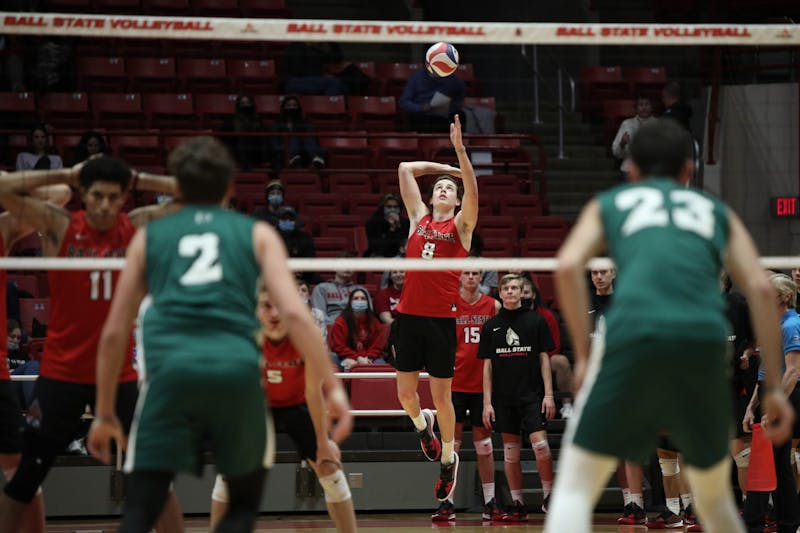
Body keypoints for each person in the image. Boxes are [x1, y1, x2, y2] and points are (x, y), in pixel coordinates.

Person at [85, 136, 351, 533]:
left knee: (142, 506)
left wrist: (104, 412)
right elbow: (297, 314)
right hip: (236, 374)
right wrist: (334, 389)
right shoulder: (257, 234)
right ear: (230, 187)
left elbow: (113, 334)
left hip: (170, 374)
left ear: (177, 188)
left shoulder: (148, 237)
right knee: (242, 507)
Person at [544, 119, 793, 533]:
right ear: (688, 172)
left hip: (634, 338)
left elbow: (569, 265)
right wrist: (772, 389)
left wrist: (585, 358)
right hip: (703, 347)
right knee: (713, 498)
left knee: (574, 490)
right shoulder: (714, 211)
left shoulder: (613, 203)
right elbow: (765, 294)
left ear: (633, 170)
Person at [0, 157, 184, 533]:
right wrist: (66, 175)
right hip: (61, 374)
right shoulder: (59, 224)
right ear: (83, 195)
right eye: (96, 195)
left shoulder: (136, 225)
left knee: (155, 480)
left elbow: (200, 194)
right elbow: (4, 188)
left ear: (123, 198)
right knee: (24, 480)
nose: (103, 205)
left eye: (113, 197)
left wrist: (138, 176)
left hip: (119, 373)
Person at [209, 286, 356, 532]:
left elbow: (313, 392)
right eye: (267, 306)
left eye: (279, 304)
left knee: (330, 470)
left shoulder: (305, 333)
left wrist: (322, 442)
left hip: (298, 405)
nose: (275, 313)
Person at [391, 114, 478, 504]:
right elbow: (405, 167)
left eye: (450, 188)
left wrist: (461, 155)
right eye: (440, 187)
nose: (444, 189)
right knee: (407, 397)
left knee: (443, 398)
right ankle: (421, 429)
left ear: (457, 201)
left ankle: (447, 459)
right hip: (408, 318)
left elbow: (474, 192)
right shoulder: (417, 219)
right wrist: (447, 167)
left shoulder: (460, 228)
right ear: (431, 196)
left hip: (442, 321)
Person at [0, 180, 70, 533]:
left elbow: (61, 195)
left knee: (22, 472)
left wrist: (7, 189)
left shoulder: (2, 230)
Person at [480, 273, 556, 522]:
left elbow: (545, 358)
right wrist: (487, 403)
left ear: (523, 292)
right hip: (503, 399)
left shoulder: (536, 321)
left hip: (532, 397)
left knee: (541, 446)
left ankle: (549, 497)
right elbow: (488, 367)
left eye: (515, 288)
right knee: (510, 453)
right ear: (500, 294)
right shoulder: (491, 326)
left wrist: (548, 395)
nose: (511, 292)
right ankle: (517, 503)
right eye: (507, 288)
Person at [431, 269, 500, 522]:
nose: (471, 277)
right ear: (459, 276)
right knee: (452, 447)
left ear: (481, 277)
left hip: (482, 386)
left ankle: (490, 501)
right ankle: (446, 503)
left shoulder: (493, 305)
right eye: (467, 273)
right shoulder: (449, 304)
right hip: (454, 384)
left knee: (484, 446)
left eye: (475, 273)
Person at [741, 273, 800, 533]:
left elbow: (793, 371)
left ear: (785, 297)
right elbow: (764, 371)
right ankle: (787, 522)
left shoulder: (791, 325)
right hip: (769, 393)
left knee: (766, 458)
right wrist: (751, 406)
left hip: (785, 394)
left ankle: (754, 521)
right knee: (778, 463)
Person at [329, 288, 387, 370]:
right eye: (356, 298)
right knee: (332, 357)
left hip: (370, 358)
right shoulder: (341, 322)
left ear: (367, 302)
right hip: (346, 356)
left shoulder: (375, 322)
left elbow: (377, 347)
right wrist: (357, 358)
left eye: (363, 298)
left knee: (381, 365)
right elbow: (339, 346)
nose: (359, 301)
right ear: (350, 302)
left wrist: (368, 358)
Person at [399, 65, 466, 133]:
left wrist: (450, 107)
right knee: (420, 119)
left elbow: (459, 99)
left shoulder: (453, 78)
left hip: (445, 114)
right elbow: (404, 102)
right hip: (421, 114)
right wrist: (421, 108)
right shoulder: (417, 77)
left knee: (460, 116)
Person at [270, 96, 326, 172]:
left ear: (298, 108)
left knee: (307, 138)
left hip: (304, 153)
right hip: (283, 153)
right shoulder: (277, 124)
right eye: (289, 105)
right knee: (294, 138)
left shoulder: (305, 123)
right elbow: (275, 144)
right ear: (283, 107)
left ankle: (316, 160)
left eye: (294, 105)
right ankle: (293, 159)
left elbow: (311, 139)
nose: (292, 108)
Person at [312, 251, 366, 324]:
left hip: (356, 328)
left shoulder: (361, 290)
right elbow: (320, 316)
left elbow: (368, 316)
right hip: (331, 328)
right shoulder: (321, 288)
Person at [222, 93, 270, 172]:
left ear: (252, 104)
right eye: (243, 103)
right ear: (238, 105)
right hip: (237, 152)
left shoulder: (258, 120)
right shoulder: (230, 121)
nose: (246, 106)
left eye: (248, 103)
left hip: (256, 152)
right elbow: (226, 140)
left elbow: (263, 139)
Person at [611, 95, 655, 174]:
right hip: (629, 169)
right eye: (641, 105)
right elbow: (616, 152)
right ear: (636, 109)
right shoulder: (627, 124)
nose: (644, 107)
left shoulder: (659, 125)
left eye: (647, 104)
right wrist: (622, 144)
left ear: (652, 108)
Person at [365, 193, 410, 258]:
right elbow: (377, 246)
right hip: (379, 255)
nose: (392, 210)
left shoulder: (405, 222)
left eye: (395, 207)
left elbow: (404, 242)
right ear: (383, 208)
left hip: (399, 255)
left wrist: (398, 227)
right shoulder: (372, 223)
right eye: (389, 207)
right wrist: (392, 229)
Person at [298, 279, 328, 343]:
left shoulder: (319, 314)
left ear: (309, 296)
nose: (300, 293)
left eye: (304, 291)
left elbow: (322, 340)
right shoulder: (283, 314)